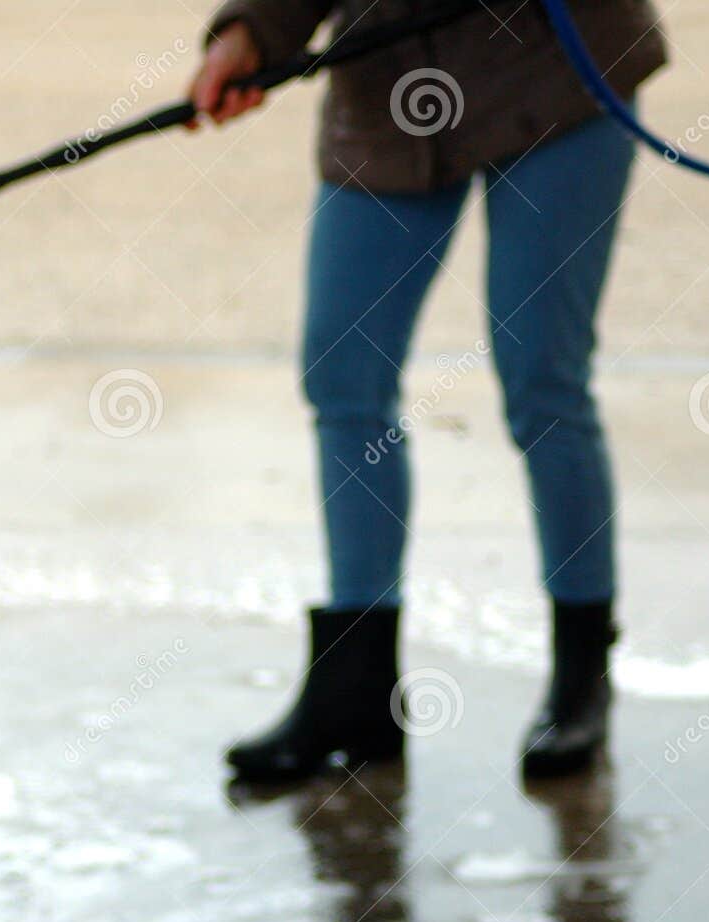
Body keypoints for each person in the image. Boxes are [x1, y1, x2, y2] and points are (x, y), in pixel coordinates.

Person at [188, 0, 666, 782]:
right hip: (389, 87)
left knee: (542, 377)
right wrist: (251, 34)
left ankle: (582, 673)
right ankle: (356, 688)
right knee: (343, 371)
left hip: (556, 71)